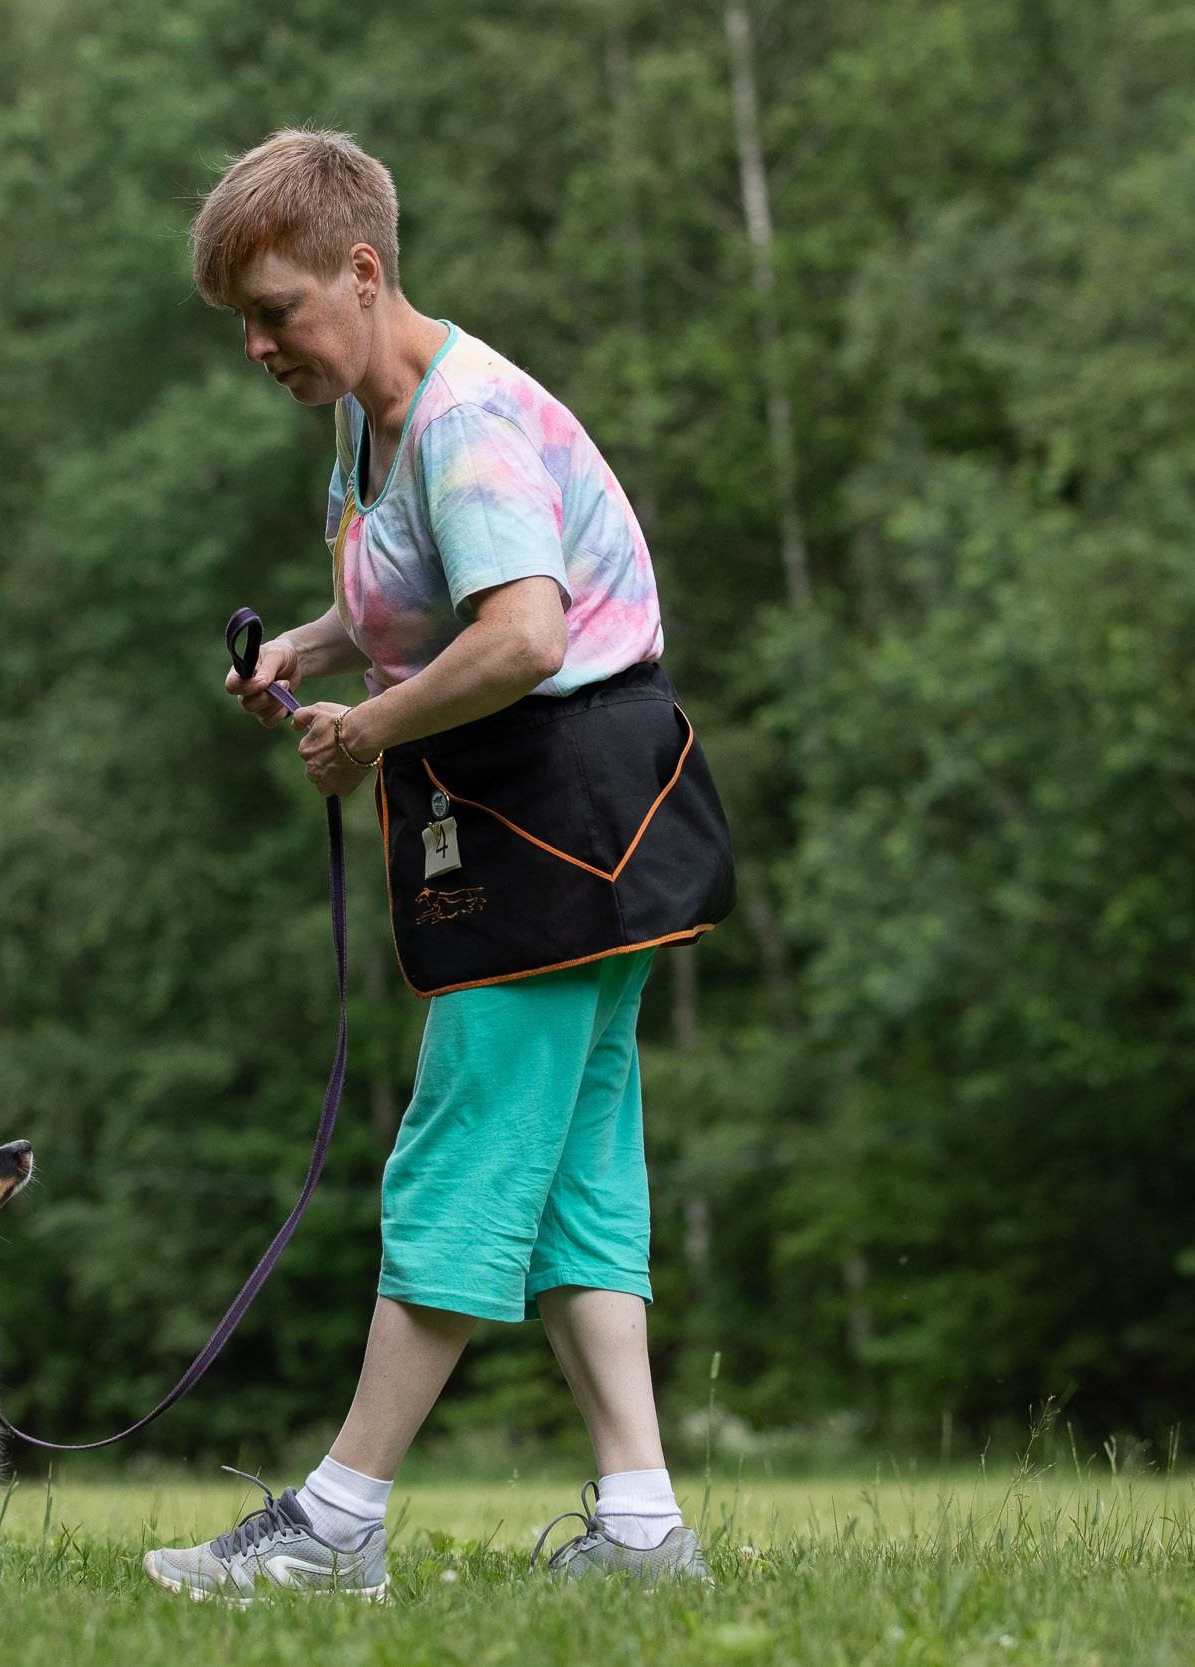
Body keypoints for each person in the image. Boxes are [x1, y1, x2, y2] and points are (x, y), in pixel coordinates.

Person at [142, 130, 735, 1601]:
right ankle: (646, 1529)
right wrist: (315, 642)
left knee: (462, 1154)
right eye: (243, 327)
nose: (263, 348)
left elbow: (525, 633)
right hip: (575, 813)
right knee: (581, 1165)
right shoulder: (376, 416)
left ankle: (339, 1523)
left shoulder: (462, 421)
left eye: (277, 312)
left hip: (560, 809)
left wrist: (366, 731)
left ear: (363, 270)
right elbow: (436, 583)